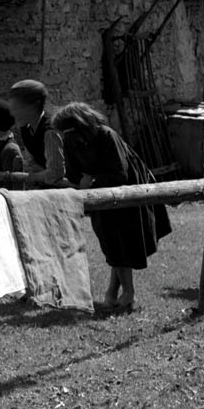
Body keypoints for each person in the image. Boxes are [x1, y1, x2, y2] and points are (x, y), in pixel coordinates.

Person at [52, 100, 170, 313]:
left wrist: (92, 181)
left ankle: (126, 294)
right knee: (112, 241)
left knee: (122, 240)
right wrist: (83, 182)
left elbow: (120, 172)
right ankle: (115, 293)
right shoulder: (71, 141)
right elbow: (72, 171)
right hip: (99, 193)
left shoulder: (106, 136)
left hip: (126, 190)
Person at [7, 79, 66, 187]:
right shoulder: (26, 129)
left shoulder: (50, 131)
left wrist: (34, 177)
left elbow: (55, 174)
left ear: (33, 106)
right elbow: (32, 163)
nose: (12, 113)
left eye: (16, 108)